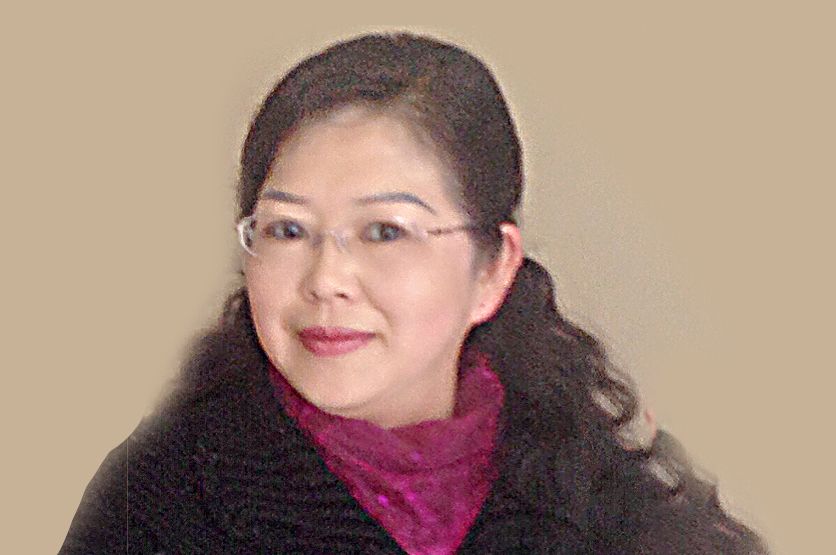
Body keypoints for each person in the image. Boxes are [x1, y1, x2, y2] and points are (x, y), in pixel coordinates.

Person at [60, 32, 768, 554]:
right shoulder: (152, 508)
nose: (325, 280)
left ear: (493, 269)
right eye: (287, 230)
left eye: (384, 232)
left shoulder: (596, 501)